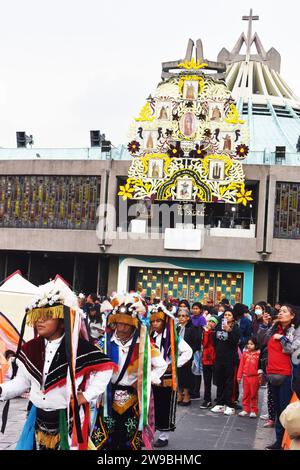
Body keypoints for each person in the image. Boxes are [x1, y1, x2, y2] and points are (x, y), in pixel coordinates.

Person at [0, 281, 115, 450]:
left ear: (62, 321)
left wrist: (87, 395)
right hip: (37, 418)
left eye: (48, 316)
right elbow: (23, 382)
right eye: (38, 316)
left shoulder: (79, 348)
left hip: (68, 420)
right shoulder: (30, 348)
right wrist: (2, 390)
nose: (40, 321)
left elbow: (106, 368)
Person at [90, 296, 168, 450]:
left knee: (129, 442)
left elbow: (161, 365)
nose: (121, 327)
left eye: (126, 323)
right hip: (108, 399)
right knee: (106, 441)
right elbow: (92, 368)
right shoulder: (104, 343)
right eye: (118, 322)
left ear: (134, 324)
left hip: (132, 399)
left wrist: (144, 380)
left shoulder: (144, 345)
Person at [150, 304, 192, 448]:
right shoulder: (150, 337)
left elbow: (188, 351)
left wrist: (174, 364)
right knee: (151, 406)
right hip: (152, 375)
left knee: (165, 406)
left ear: (165, 322)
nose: (155, 324)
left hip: (167, 377)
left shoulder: (173, 338)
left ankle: (163, 436)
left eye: (158, 321)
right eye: (153, 321)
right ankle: (149, 433)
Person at [264, 304, 300, 450]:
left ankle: (286, 442)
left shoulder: (296, 331)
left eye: (284, 312)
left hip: (287, 376)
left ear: (292, 316)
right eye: (279, 311)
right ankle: (279, 442)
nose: (280, 314)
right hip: (272, 374)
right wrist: (272, 326)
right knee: (279, 410)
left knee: (286, 411)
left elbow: (291, 349)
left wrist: (283, 338)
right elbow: (263, 341)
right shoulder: (275, 328)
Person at [211, 308, 240, 415]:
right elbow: (215, 341)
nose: (226, 316)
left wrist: (229, 331)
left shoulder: (235, 328)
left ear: (233, 318)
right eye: (225, 314)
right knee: (220, 380)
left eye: (229, 315)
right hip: (219, 358)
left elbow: (235, 342)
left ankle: (229, 404)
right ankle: (220, 403)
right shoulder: (219, 326)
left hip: (230, 359)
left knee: (229, 382)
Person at [176, 308, 201, 406]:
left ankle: (186, 396)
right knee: (178, 375)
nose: (181, 318)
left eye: (183, 316)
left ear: (188, 318)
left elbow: (196, 344)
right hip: (177, 355)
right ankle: (179, 395)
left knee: (186, 375)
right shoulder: (177, 328)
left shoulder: (192, 328)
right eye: (179, 316)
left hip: (188, 356)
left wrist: (188, 355)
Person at [237, 337, 263, 418]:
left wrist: (260, 377)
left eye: (251, 344)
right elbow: (241, 365)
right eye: (248, 344)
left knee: (253, 394)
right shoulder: (245, 354)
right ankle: (246, 409)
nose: (249, 346)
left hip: (254, 377)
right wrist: (239, 376)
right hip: (246, 377)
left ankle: (253, 410)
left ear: (256, 345)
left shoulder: (259, 354)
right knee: (246, 393)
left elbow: (261, 367)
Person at [200, 316, 218, 408]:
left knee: (218, 380)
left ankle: (219, 399)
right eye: (209, 321)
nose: (211, 323)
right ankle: (207, 400)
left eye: (213, 322)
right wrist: (207, 332)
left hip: (215, 359)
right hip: (206, 359)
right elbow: (204, 343)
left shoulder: (216, 333)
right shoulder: (205, 332)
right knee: (207, 381)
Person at [190, 302, 206, 399]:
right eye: (193, 308)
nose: (195, 310)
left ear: (200, 310)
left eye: (197, 308)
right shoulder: (191, 318)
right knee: (191, 368)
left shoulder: (202, 319)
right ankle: (191, 390)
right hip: (190, 346)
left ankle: (197, 392)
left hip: (198, 347)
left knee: (197, 368)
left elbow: (204, 332)